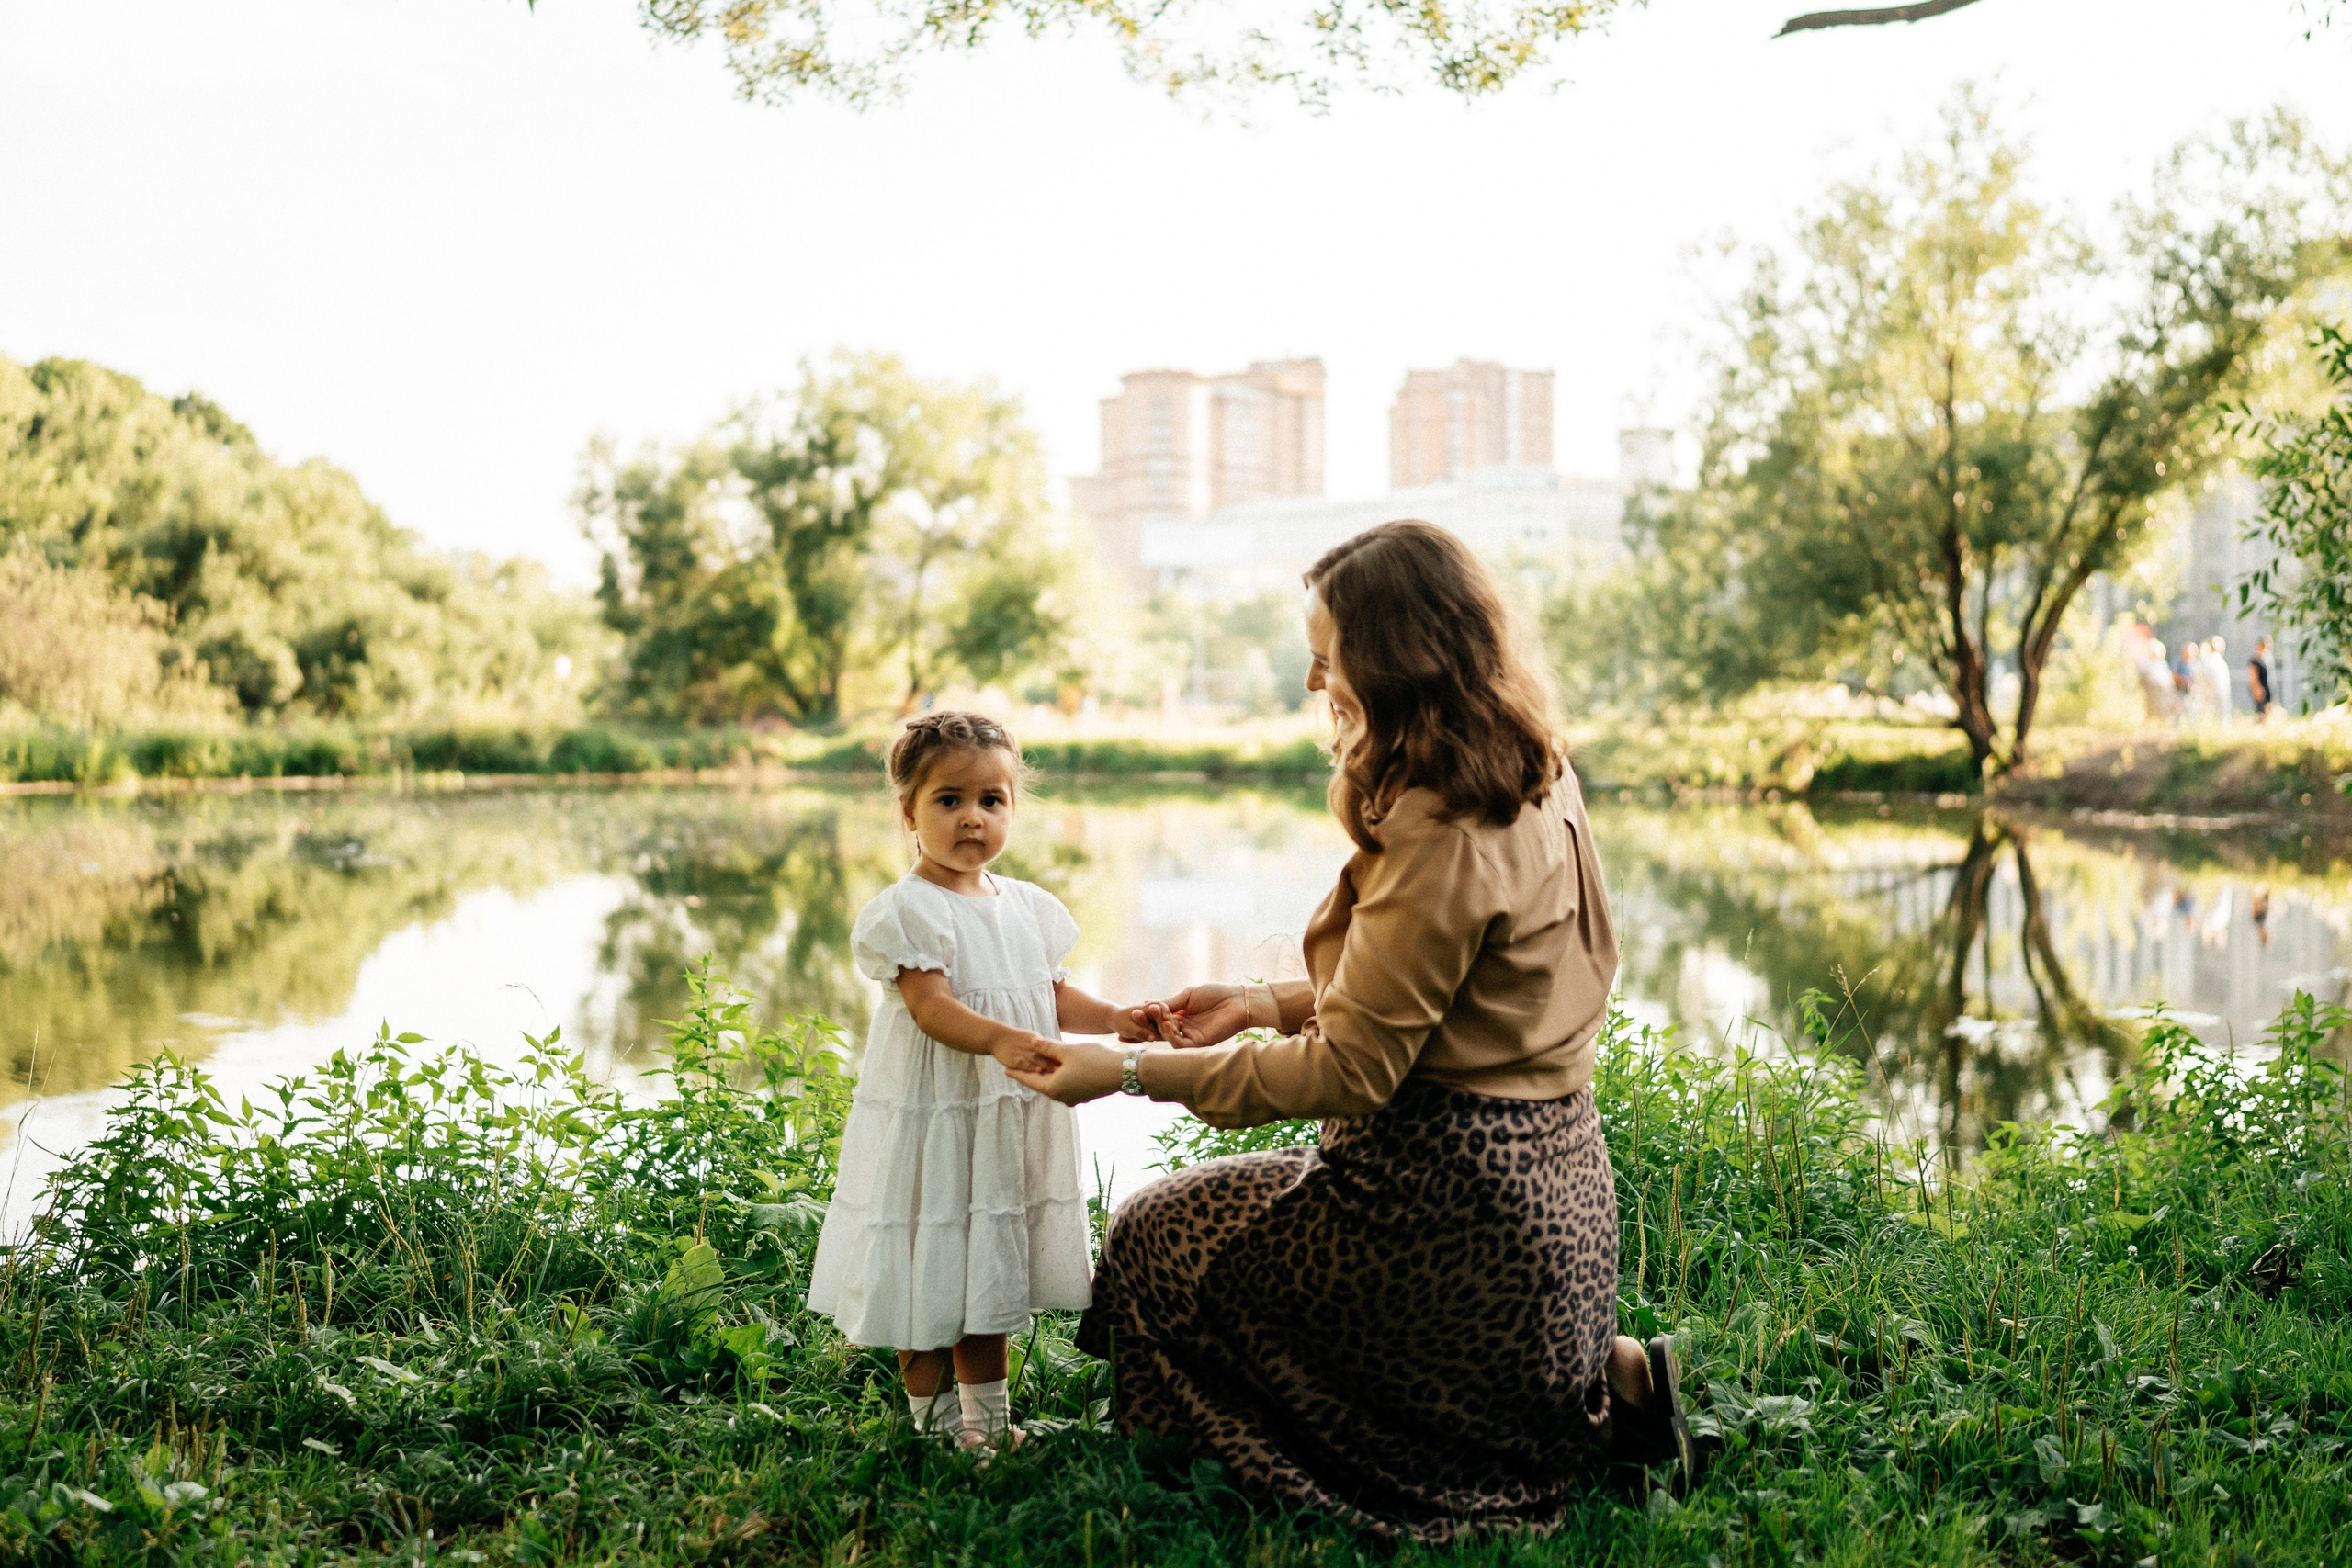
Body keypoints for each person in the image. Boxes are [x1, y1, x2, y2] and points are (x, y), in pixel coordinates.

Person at [1012, 521, 1695, 1542]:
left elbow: (1352, 1069)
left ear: (1392, 659)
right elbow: (1449, 992)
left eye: (1327, 658)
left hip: (1443, 1199)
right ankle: (1569, 1391)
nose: (1311, 681)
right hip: (1557, 1187)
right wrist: (1255, 1004)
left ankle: (1212, 1472)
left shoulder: (1438, 825)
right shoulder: (1532, 770)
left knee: (1157, 1237)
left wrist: (1129, 1069)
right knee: (1238, 1239)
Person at [806, 711, 1156, 1450]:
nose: (973, 817)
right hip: (937, 1118)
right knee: (928, 1265)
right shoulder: (908, 910)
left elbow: (1054, 993)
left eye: (992, 800)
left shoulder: (1026, 905)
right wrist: (1003, 1038)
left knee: (986, 1270)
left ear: (1013, 808)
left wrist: (1119, 1017)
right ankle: (933, 1435)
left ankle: (988, 1431)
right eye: (949, 800)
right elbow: (932, 1008)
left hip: (1002, 1114)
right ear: (909, 810)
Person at [2249, 636, 2278, 720]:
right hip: (2260, 688)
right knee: (2261, 711)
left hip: (2268, 686)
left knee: (2269, 708)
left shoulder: (2268, 658)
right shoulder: (2255, 660)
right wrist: (2256, 688)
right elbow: (2252, 676)